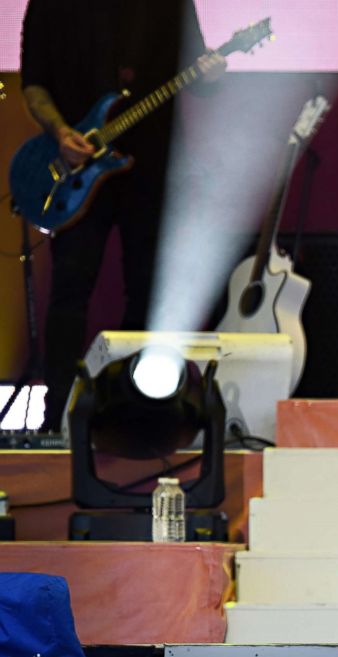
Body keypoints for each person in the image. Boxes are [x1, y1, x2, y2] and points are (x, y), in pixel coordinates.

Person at [18, 0, 226, 431]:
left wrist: (211, 73)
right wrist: (61, 133)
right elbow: (34, 83)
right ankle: (56, 415)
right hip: (78, 174)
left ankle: (140, 413)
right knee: (70, 291)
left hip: (151, 170)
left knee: (149, 294)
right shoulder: (48, 6)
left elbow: (199, 69)